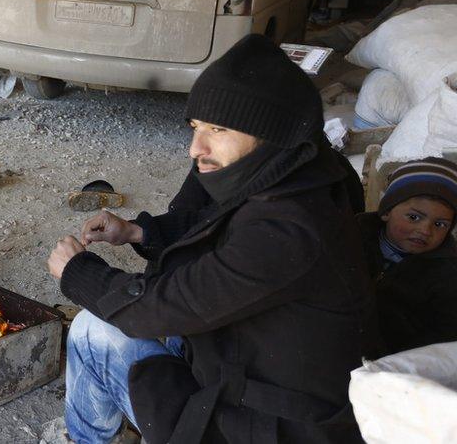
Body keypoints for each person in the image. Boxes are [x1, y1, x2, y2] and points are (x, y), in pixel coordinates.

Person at [45, 35, 371, 444]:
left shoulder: (292, 227)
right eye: (196, 126)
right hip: (247, 371)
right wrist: (137, 232)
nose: (195, 147)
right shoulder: (288, 174)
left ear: (270, 132)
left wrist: (79, 273)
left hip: (268, 426)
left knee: (94, 332)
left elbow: (164, 305)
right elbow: (203, 227)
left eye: (218, 128)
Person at [358, 157, 457, 356]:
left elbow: (446, 332)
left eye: (440, 224)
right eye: (414, 217)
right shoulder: (352, 238)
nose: (425, 230)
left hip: (396, 362)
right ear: (386, 212)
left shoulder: (448, 273)